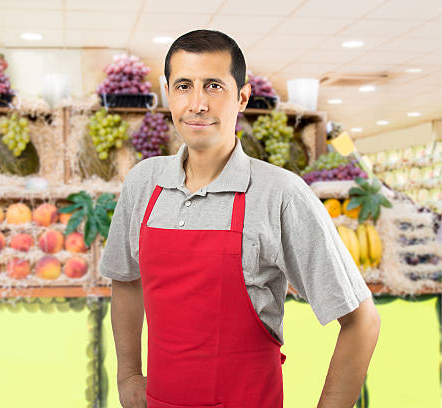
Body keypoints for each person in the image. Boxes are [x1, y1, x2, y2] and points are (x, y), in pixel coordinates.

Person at [99, 29, 381, 408]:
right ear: (168, 94)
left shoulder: (280, 193)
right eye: (184, 86)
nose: (197, 103)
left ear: (242, 97)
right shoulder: (143, 183)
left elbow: (362, 322)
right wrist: (129, 373)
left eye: (214, 86)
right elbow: (126, 280)